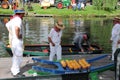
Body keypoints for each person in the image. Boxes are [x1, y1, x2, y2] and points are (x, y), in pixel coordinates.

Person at [6, 8, 25, 77]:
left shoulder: (13, 19)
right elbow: (17, 28)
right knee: (18, 56)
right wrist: (18, 36)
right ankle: (16, 72)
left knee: (15, 56)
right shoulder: (18, 20)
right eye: (23, 13)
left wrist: (12, 33)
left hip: (13, 40)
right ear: (21, 13)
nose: (24, 14)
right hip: (17, 41)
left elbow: (7, 25)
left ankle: (13, 70)